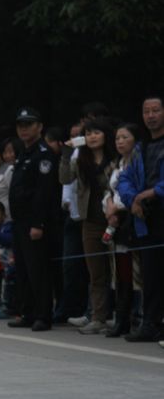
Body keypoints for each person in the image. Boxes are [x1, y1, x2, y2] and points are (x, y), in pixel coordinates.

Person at [58, 118, 116, 334]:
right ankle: (98, 317)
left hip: (115, 221)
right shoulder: (80, 160)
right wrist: (66, 154)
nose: (92, 137)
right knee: (96, 272)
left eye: (96, 132)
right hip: (90, 221)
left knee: (119, 271)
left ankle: (123, 316)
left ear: (106, 135)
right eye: (88, 133)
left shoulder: (115, 159)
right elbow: (64, 178)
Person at [7, 107, 60, 332]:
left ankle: (43, 315)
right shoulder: (24, 152)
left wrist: (38, 223)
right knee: (23, 269)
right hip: (19, 221)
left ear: (39, 127)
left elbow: (44, 192)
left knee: (38, 270)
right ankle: (27, 312)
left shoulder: (43, 154)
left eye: (28, 125)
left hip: (34, 221)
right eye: (21, 125)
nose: (24, 129)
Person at [117, 95, 164, 342]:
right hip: (146, 219)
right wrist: (133, 199)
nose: (151, 116)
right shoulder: (140, 148)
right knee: (150, 274)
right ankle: (151, 323)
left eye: (156, 110)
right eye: (147, 111)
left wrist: (152, 192)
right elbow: (124, 179)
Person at [103, 123, 141, 337]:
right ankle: (121, 319)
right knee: (120, 272)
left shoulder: (139, 162)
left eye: (125, 137)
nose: (120, 141)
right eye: (117, 138)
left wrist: (118, 207)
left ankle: (139, 318)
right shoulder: (114, 165)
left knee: (137, 274)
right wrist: (109, 205)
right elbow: (108, 191)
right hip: (115, 223)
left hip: (132, 220)